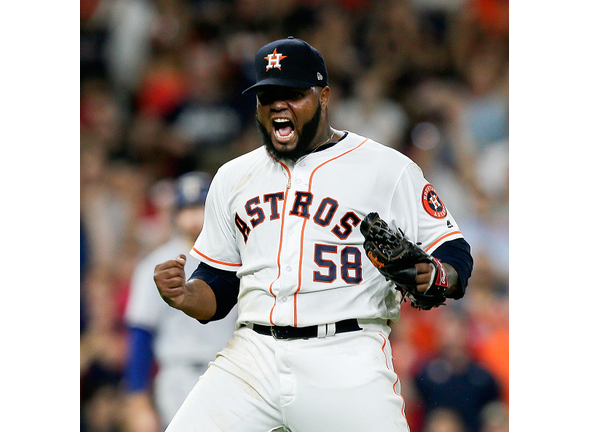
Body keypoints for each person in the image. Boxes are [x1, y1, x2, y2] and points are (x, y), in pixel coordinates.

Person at [154, 37, 474, 432]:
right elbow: (218, 286)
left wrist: (436, 276)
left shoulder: (386, 168)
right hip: (253, 356)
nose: (277, 105)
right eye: (267, 95)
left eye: (292, 94)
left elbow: (455, 253)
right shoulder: (233, 177)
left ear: (323, 96)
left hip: (346, 354)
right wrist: (186, 295)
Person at [123, 172, 238, 432]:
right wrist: (137, 397)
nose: (194, 217)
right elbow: (140, 332)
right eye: (187, 209)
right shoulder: (156, 264)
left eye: (200, 207)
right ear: (175, 215)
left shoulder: (237, 258)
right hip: (179, 376)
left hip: (232, 374)